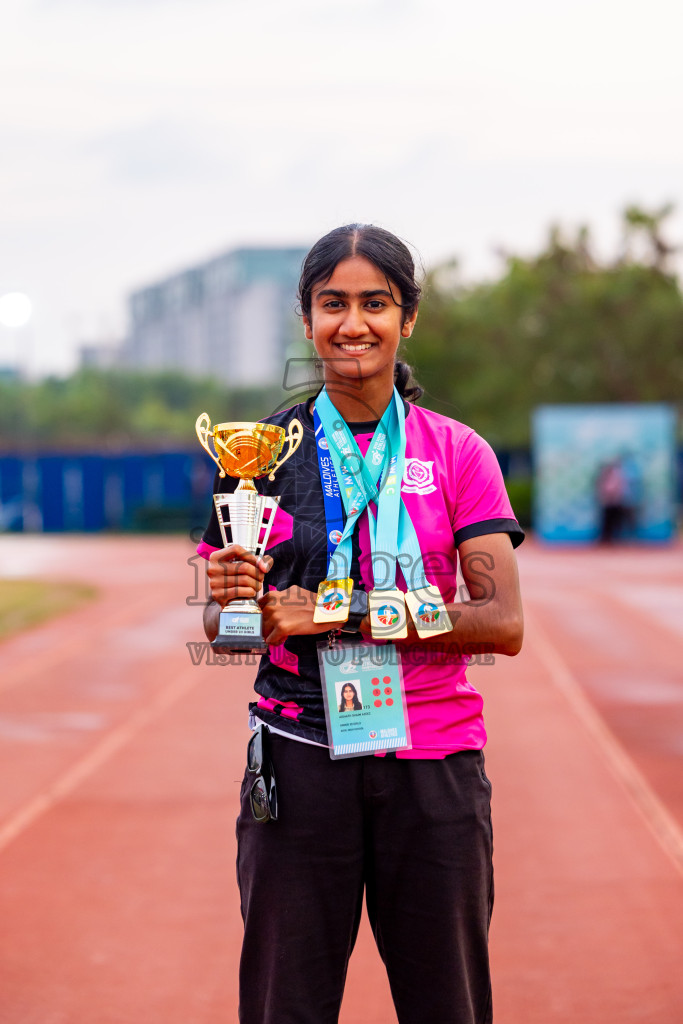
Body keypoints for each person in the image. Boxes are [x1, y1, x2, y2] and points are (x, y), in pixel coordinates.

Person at [199, 224, 524, 1024]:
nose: (353, 323)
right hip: (300, 758)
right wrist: (235, 600)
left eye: (375, 302)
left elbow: (501, 622)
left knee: (446, 1004)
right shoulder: (260, 455)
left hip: (434, 765)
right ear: (305, 320)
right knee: (287, 1007)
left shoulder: (459, 453)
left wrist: (337, 609)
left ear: (406, 317)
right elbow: (225, 627)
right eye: (332, 303)